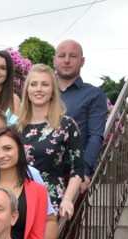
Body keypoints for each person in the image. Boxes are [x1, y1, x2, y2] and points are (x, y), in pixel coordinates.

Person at [17, 64, 84, 219]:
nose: (38, 89)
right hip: (20, 200)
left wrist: (67, 200)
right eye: (33, 84)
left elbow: (77, 169)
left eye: (45, 84)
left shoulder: (66, 125)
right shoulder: (15, 129)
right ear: (27, 90)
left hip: (51, 200)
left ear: (53, 90)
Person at [54, 39, 108, 194]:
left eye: (73, 56)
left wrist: (83, 172)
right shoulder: (43, 92)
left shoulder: (93, 95)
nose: (66, 60)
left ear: (82, 61)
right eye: (62, 55)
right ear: (54, 60)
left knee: (68, 218)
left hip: (71, 175)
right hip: (39, 172)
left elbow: (96, 136)